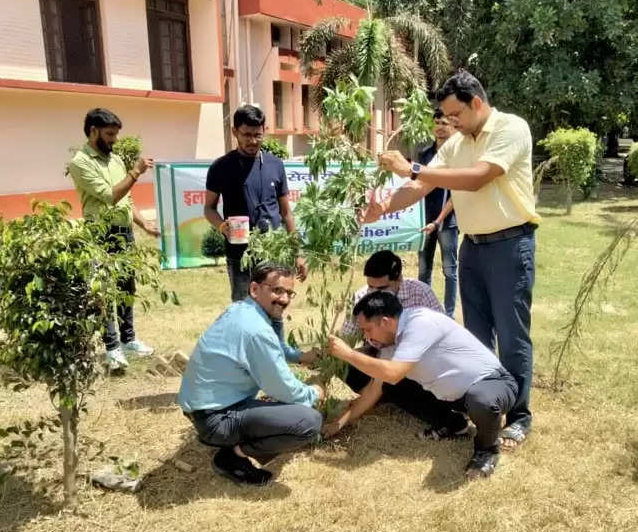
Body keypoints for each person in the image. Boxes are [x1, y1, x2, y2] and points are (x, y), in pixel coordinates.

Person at [370, 71, 540, 449]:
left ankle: (519, 416)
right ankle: (483, 407)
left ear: (476, 102)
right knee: (475, 337)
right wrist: (382, 208)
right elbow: (420, 186)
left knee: (512, 336)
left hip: (511, 245)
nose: (450, 123)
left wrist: (412, 166)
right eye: (445, 116)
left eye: (455, 114)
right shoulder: (458, 141)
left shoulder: (511, 129)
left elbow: (479, 177)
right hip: (473, 246)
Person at [327, 292, 518, 479]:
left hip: (492, 383)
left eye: (367, 329)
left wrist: (348, 354)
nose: (366, 337)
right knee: (392, 385)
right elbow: (373, 390)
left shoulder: (420, 323)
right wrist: (339, 423)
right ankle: (453, 424)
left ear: (385, 322)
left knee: (482, 400)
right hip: (456, 396)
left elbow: (392, 373)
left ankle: (487, 450)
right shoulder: (392, 345)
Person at [177, 263, 324, 485]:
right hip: (215, 420)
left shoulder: (242, 309)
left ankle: (236, 440)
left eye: (289, 293)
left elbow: (277, 347)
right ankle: (232, 457)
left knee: (282, 407)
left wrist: (303, 357)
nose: (284, 299)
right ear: (254, 289)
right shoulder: (255, 329)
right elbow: (283, 387)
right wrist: (314, 392)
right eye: (277, 290)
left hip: (205, 410)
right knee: (308, 422)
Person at [338, 250, 468, 439]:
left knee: (395, 379)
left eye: (381, 288)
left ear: (398, 278)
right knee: (344, 364)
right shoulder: (361, 296)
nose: (373, 294)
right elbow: (346, 341)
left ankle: (448, 418)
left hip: (419, 362)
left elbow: (440, 339)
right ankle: (383, 395)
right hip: (384, 360)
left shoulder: (421, 293)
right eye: (370, 287)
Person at [67, 108, 159, 371]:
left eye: (116, 134)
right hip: (100, 232)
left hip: (123, 232)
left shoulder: (115, 160)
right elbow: (110, 195)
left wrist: (144, 225)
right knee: (105, 291)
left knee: (126, 288)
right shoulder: (80, 162)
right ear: (93, 131)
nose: (114, 139)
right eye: (109, 134)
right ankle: (112, 347)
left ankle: (129, 340)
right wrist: (135, 172)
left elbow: (127, 200)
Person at [204, 105, 307, 302]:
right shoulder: (221, 167)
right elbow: (208, 209)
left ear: (264, 131)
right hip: (239, 254)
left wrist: (297, 253)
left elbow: (286, 213)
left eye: (258, 135)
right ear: (234, 132)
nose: (253, 141)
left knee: (275, 306)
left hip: (273, 253)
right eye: (247, 134)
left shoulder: (275, 165)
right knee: (243, 308)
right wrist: (222, 227)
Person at [418, 109, 459, 319]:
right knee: (424, 270)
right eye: (436, 123)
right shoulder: (425, 155)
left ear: (453, 126)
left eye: (444, 123)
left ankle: (449, 316)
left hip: (447, 222)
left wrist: (439, 220)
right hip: (424, 222)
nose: (440, 128)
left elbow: (456, 196)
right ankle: (425, 313)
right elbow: (416, 185)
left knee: (449, 271)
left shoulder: (458, 156)